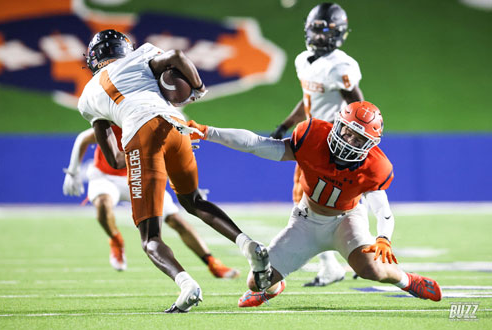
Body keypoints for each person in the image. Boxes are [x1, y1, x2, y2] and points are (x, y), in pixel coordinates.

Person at [76, 29, 271, 313]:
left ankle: (187, 284)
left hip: (141, 136)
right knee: (194, 201)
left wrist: (135, 153)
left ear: (94, 58)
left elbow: (116, 161)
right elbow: (177, 57)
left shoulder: (88, 96)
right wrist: (198, 87)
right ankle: (249, 245)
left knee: (150, 238)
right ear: (124, 48)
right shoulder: (142, 55)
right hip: (178, 126)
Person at [187, 101, 442, 308]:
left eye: (358, 139)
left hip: (347, 220)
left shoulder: (376, 166)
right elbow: (257, 144)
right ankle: (273, 289)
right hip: (305, 221)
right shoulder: (312, 136)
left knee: (372, 269)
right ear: (337, 125)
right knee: (257, 282)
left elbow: (382, 208)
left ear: (370, 144)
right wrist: (208, 132)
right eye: (347, 131)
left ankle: (407, 281)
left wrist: (384, 237)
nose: (348, 141)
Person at [62, 126, 240, 279]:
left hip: (140, 176)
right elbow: (84, 138)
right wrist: (73, 171)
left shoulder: (151, 124)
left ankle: (212, 263)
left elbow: (168, 155)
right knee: (102, 203)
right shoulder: (114, 120)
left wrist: (190, 186)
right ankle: (116, 240)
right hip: (106, 177)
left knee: (176, 221)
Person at [270, 2, 364, 287]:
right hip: (312, 142)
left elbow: (358, 104)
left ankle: (358, 254)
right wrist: (285, 125)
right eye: (315, 29)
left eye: (325, 31)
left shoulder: (342, 66)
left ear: (339, 33)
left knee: (342, 201)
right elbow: (307, 100)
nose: (319, 36)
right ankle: (336, 262)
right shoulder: (303, 60)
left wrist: (358, 141)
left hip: (335, 144)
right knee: (307, 201)